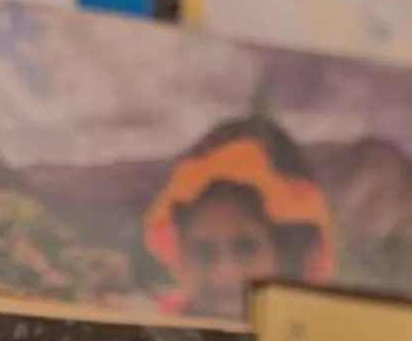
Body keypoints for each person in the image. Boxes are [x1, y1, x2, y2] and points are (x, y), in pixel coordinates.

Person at [142, 114, 338, 317]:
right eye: (205, 253)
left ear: (291, 258)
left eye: (246, 250)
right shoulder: (156, 335)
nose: (223, 276)